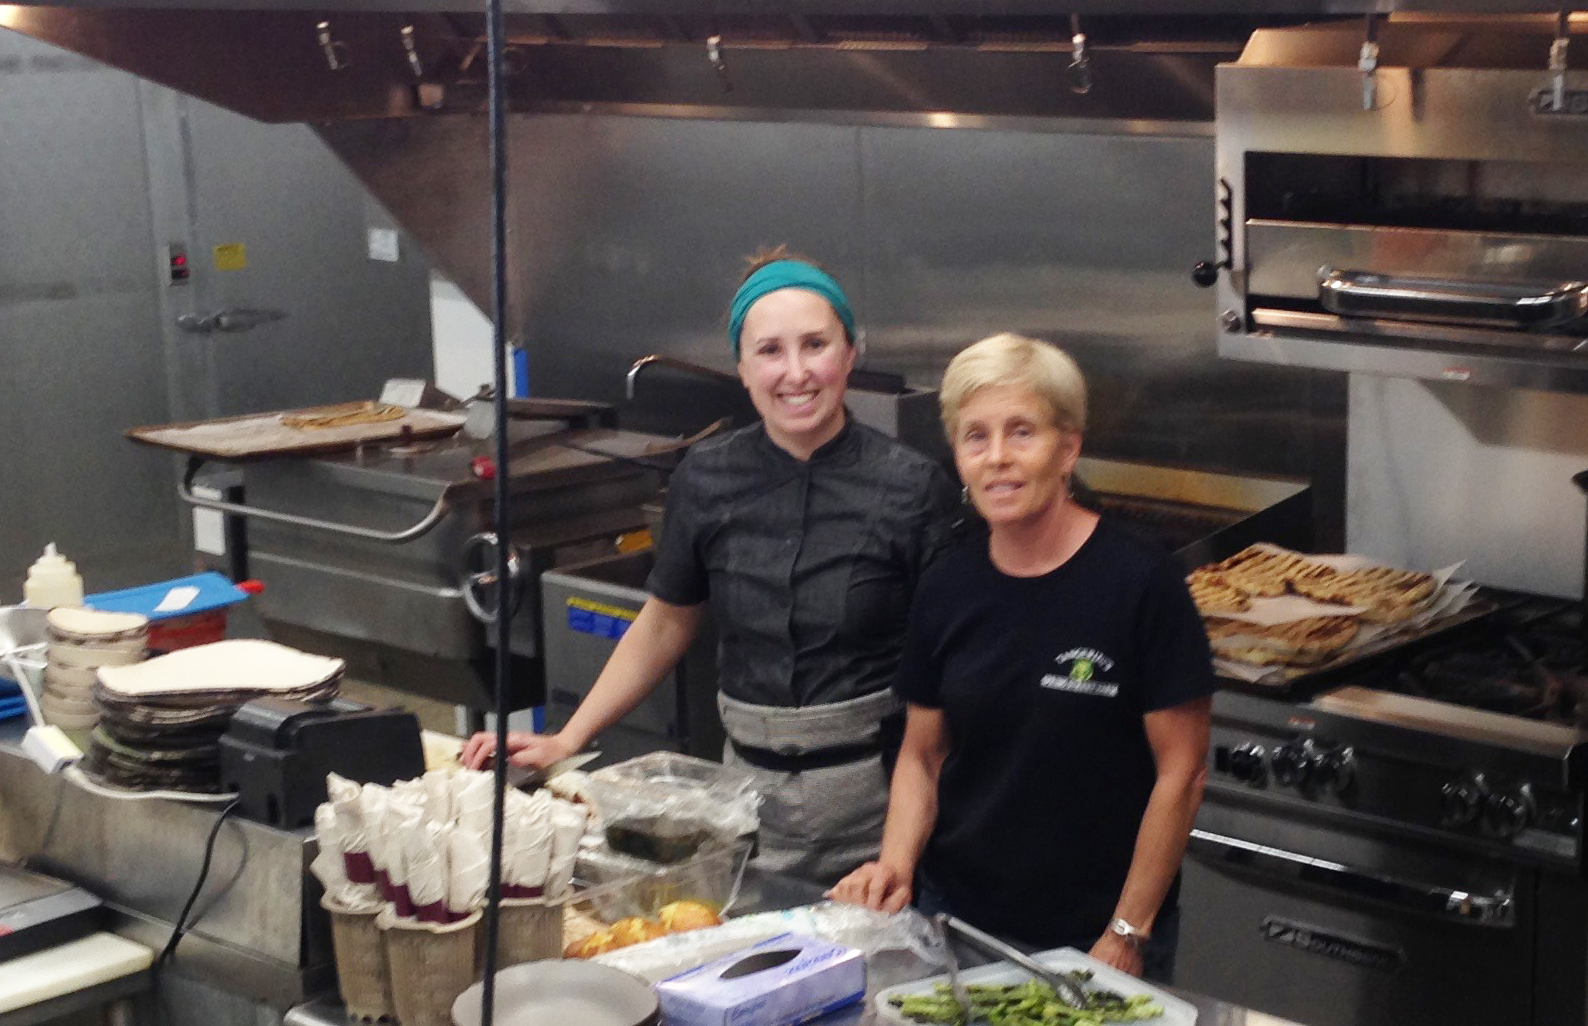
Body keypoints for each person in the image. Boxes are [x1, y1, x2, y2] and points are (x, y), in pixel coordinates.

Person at [462, 254, 953, 886]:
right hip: (742, 795)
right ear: (743, 369)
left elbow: (937, 695)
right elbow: (666, 622)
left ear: (850, 353)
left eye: (816, 345)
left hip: (876, 800)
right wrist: (565, 738)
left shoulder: (912, 488)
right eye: (770, 351)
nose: (797, 372)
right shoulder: (708, 476)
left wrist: (897, 860)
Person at [832, 334, 1213, 977]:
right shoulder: (948, 585)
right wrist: (894, 866)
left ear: (1069, 447)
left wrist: (1127, 932)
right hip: (955, 918)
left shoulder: (1140, 584)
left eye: (1022, 433)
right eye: (975, 437)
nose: (998, 459)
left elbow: (1183, 772)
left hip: (1097, 932)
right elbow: (923, 754)